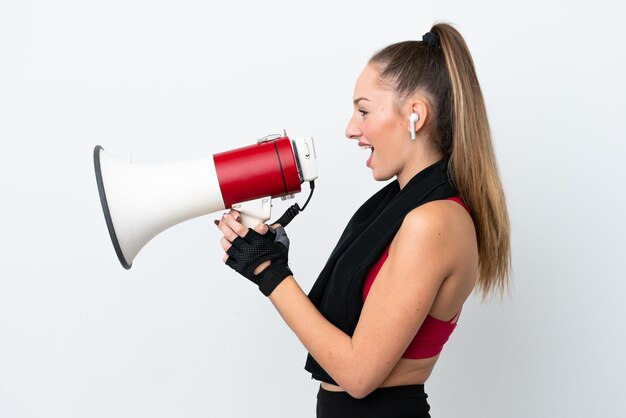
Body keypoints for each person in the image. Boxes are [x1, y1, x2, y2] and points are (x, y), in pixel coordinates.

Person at [214, 22, 511, 418]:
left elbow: (358, 375)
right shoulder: (400, 206)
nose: (351, 129)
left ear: (415, 115)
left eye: (364, 110)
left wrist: (268, 270)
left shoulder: (433, 221)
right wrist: (269, 260)